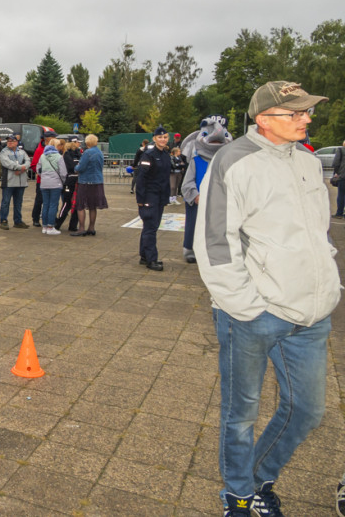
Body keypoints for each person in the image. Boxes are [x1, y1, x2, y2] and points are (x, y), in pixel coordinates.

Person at [195, 81, 339, 517]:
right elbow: (215, 243)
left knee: (308, 410)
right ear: (264, 119)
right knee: (241, 417)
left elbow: (317, 234)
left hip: (311, 315)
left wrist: (325, 287)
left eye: (306, 112)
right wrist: (246, 307)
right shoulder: (233, 161)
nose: (306, 118)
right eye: (295, 113)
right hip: (253, 315)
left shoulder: (309, 161)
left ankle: (258, 477)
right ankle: (238, 498)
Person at [181, 115, 234, 263]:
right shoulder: (196, 161)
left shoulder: (227, 161)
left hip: (220, 203)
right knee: (195, 227)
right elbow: (187, 182)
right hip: (199, 203)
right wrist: (196, 196)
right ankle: (191, 250)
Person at [134, 127, 171, 270]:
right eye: (160, 137)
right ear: (154, 138)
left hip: (160, 197)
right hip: (149, 196)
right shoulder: (148, 155)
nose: (163, 140)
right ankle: (151, 259)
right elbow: (141, 178)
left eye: (165, 137)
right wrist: (140, 199)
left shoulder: (166, 155)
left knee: (150, 227)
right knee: (150, 228)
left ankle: (144, 256)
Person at [71, 134, 107, 237]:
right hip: (98, 181)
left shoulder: (87, 153)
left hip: (86, 181)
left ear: (87, 143)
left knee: (80, 205)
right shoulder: (100, 152)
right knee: (92, 206)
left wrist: (76, 168)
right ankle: (91, 228)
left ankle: (81, 228)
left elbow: (81, 167)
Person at [0, 134, 30, 230]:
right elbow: (7, 163)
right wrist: (21, 167)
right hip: (9, 182)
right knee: (5, 202)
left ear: (16, 142)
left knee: (18, 202)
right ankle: (3, 221)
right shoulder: (3, 152)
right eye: (8, 141)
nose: (10, 142)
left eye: (12, 141)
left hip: (21, 182)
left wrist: (23, 168)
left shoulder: (22, 152)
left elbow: (28, 161)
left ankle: (18, 221)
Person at [36, 138, 67, 235]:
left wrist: (44, 176)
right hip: (55, 184)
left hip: (44, 184)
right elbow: (63, 173)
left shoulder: (42, 156)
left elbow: (38, 169)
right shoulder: (59, 157)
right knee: (53, 205)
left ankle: (44, 226)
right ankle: (50, 226)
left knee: (45, 204)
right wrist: (63, 181)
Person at [30, 129, 56, 227]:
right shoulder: (39, 150)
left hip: (53, 180)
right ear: (48, 140)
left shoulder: (54, 150)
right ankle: (35, 218)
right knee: (39, 200)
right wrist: (39, 173)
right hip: (42, 181)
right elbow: (34, 165)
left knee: (51, 201)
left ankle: (50, 218)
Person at [56, 137, 81, 231]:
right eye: (77, 142)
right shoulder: (66, 154)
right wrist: (78, 167)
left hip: (79, 181)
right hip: (70, 181)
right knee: (67, 203)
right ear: (72, 143)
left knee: (78, 203)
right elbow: (72, 167)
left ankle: (73, 226)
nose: (79, 143)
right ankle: (58, 224)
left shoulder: (79, 153)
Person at [331, 139, 345, 218]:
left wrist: (337, 172)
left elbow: (336, 163)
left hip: (343, 175)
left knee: (341, 194)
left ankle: (339, 213)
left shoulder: (340, 150)